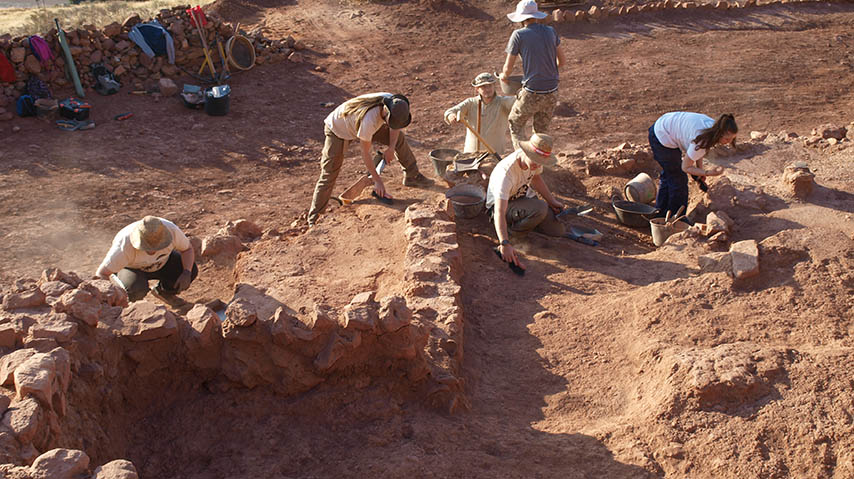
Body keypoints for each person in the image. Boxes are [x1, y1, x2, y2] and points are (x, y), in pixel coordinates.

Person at [308, 92, 432, 226]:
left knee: (399, 140)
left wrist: (391, 147)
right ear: (386, 111)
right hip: (338, 129)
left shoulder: (395, 103)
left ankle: (412, 176)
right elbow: (365, 152)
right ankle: (314, 218)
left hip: (361, 123)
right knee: (329, 173)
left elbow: (395, 127)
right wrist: (378, 181)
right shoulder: (369, 120)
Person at [487, 133, 565, 270]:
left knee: (557, 230)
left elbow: (536, 179)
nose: (538, 165)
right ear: (526, 152)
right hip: (501, 208)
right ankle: (513, 236)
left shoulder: (534, 162)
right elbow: (499, 211)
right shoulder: (506, 175)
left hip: (521, 198)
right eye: (536, 160)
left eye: (541, 162)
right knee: (540, 208)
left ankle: (528, 223)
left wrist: (552, 202)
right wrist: (504, 243)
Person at [499, 0, 565, 151]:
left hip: (532, 92)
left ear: (521, 19)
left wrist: (503, 75)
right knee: (541, 131)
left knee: (515, 123)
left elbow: (508, 68)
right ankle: (539, 161)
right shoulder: (550, 31)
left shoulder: (518, 35)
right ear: (536, 16)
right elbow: (562, 61)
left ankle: (523, 160)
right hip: (552, 92)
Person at [648, 112, 738, 218]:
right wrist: (708, 173)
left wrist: (699, 171)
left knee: (670, 174)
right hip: (661, 135)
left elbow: (696, 153)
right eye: (727, 139)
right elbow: (685, 167)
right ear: (719, 134)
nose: (729, 142)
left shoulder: (714, 127)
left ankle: (661, 213)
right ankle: (677, 219)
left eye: (732, 139)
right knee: (678, 179)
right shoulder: (703, 139)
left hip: (665, 125)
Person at [96, 216, 198, 302]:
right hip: (131, 268)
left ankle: (164, 293)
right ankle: (132, 304)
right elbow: (102, 274)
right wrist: (111, 296)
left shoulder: (172, 231)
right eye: (148, 247)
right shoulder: (124, 246)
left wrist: (186, 272)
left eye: (157, 246)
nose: (152, 252)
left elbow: (187, 249)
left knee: (190, 269)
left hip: (162, 262)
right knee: (136, 289)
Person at [444, 72, 516, 154]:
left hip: (496, 154)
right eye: (483, 87)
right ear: (477, 89)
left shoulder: (503, 102)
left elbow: (518, 103)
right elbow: (450, 112)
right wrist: (451, 116)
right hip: (472, 154)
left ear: (494, 86)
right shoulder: (470, 103)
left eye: (489, 85)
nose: (487, 89)